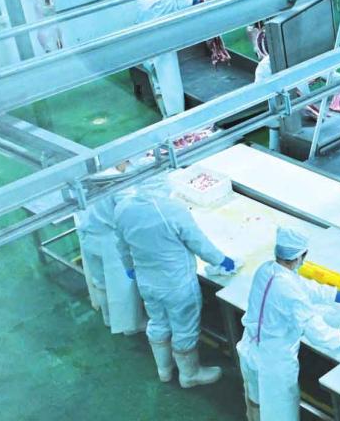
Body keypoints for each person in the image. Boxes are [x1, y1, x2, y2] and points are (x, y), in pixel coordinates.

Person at [237, 227, 340, 421]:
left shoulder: (266, 270)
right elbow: (317, 332)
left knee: (256, 394)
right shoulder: (291, 293)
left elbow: (300, 285)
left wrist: (334, 294)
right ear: (301, 256)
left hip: (249, 348)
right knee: (283, 403)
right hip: (275, 359)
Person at [114, 173, 236, 388]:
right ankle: (189, 374)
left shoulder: (123, 208)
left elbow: (121, 245)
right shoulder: (171, 209)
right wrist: (221, 260)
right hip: (177, 284)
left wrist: (129, 267)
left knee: (158, 321)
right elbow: (198, 242)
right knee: (184, 327)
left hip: (146, 281)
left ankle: (164, 370)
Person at [75, 163, 146, 335]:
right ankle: (130, 326)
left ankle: (107, 318)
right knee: (122, 287)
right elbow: (131, 212)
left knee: (100, 282)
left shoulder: (90, 175)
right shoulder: (118, 183)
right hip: (109, 241)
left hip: (88, 235)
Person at [135, 0, 199, 117]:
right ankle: (176, 118)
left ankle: (165, 116)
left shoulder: (142, 1)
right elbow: (176, 5)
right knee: (170, 87)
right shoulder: (157, 3)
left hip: (146, 50)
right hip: (161, 51)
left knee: (158, 86)